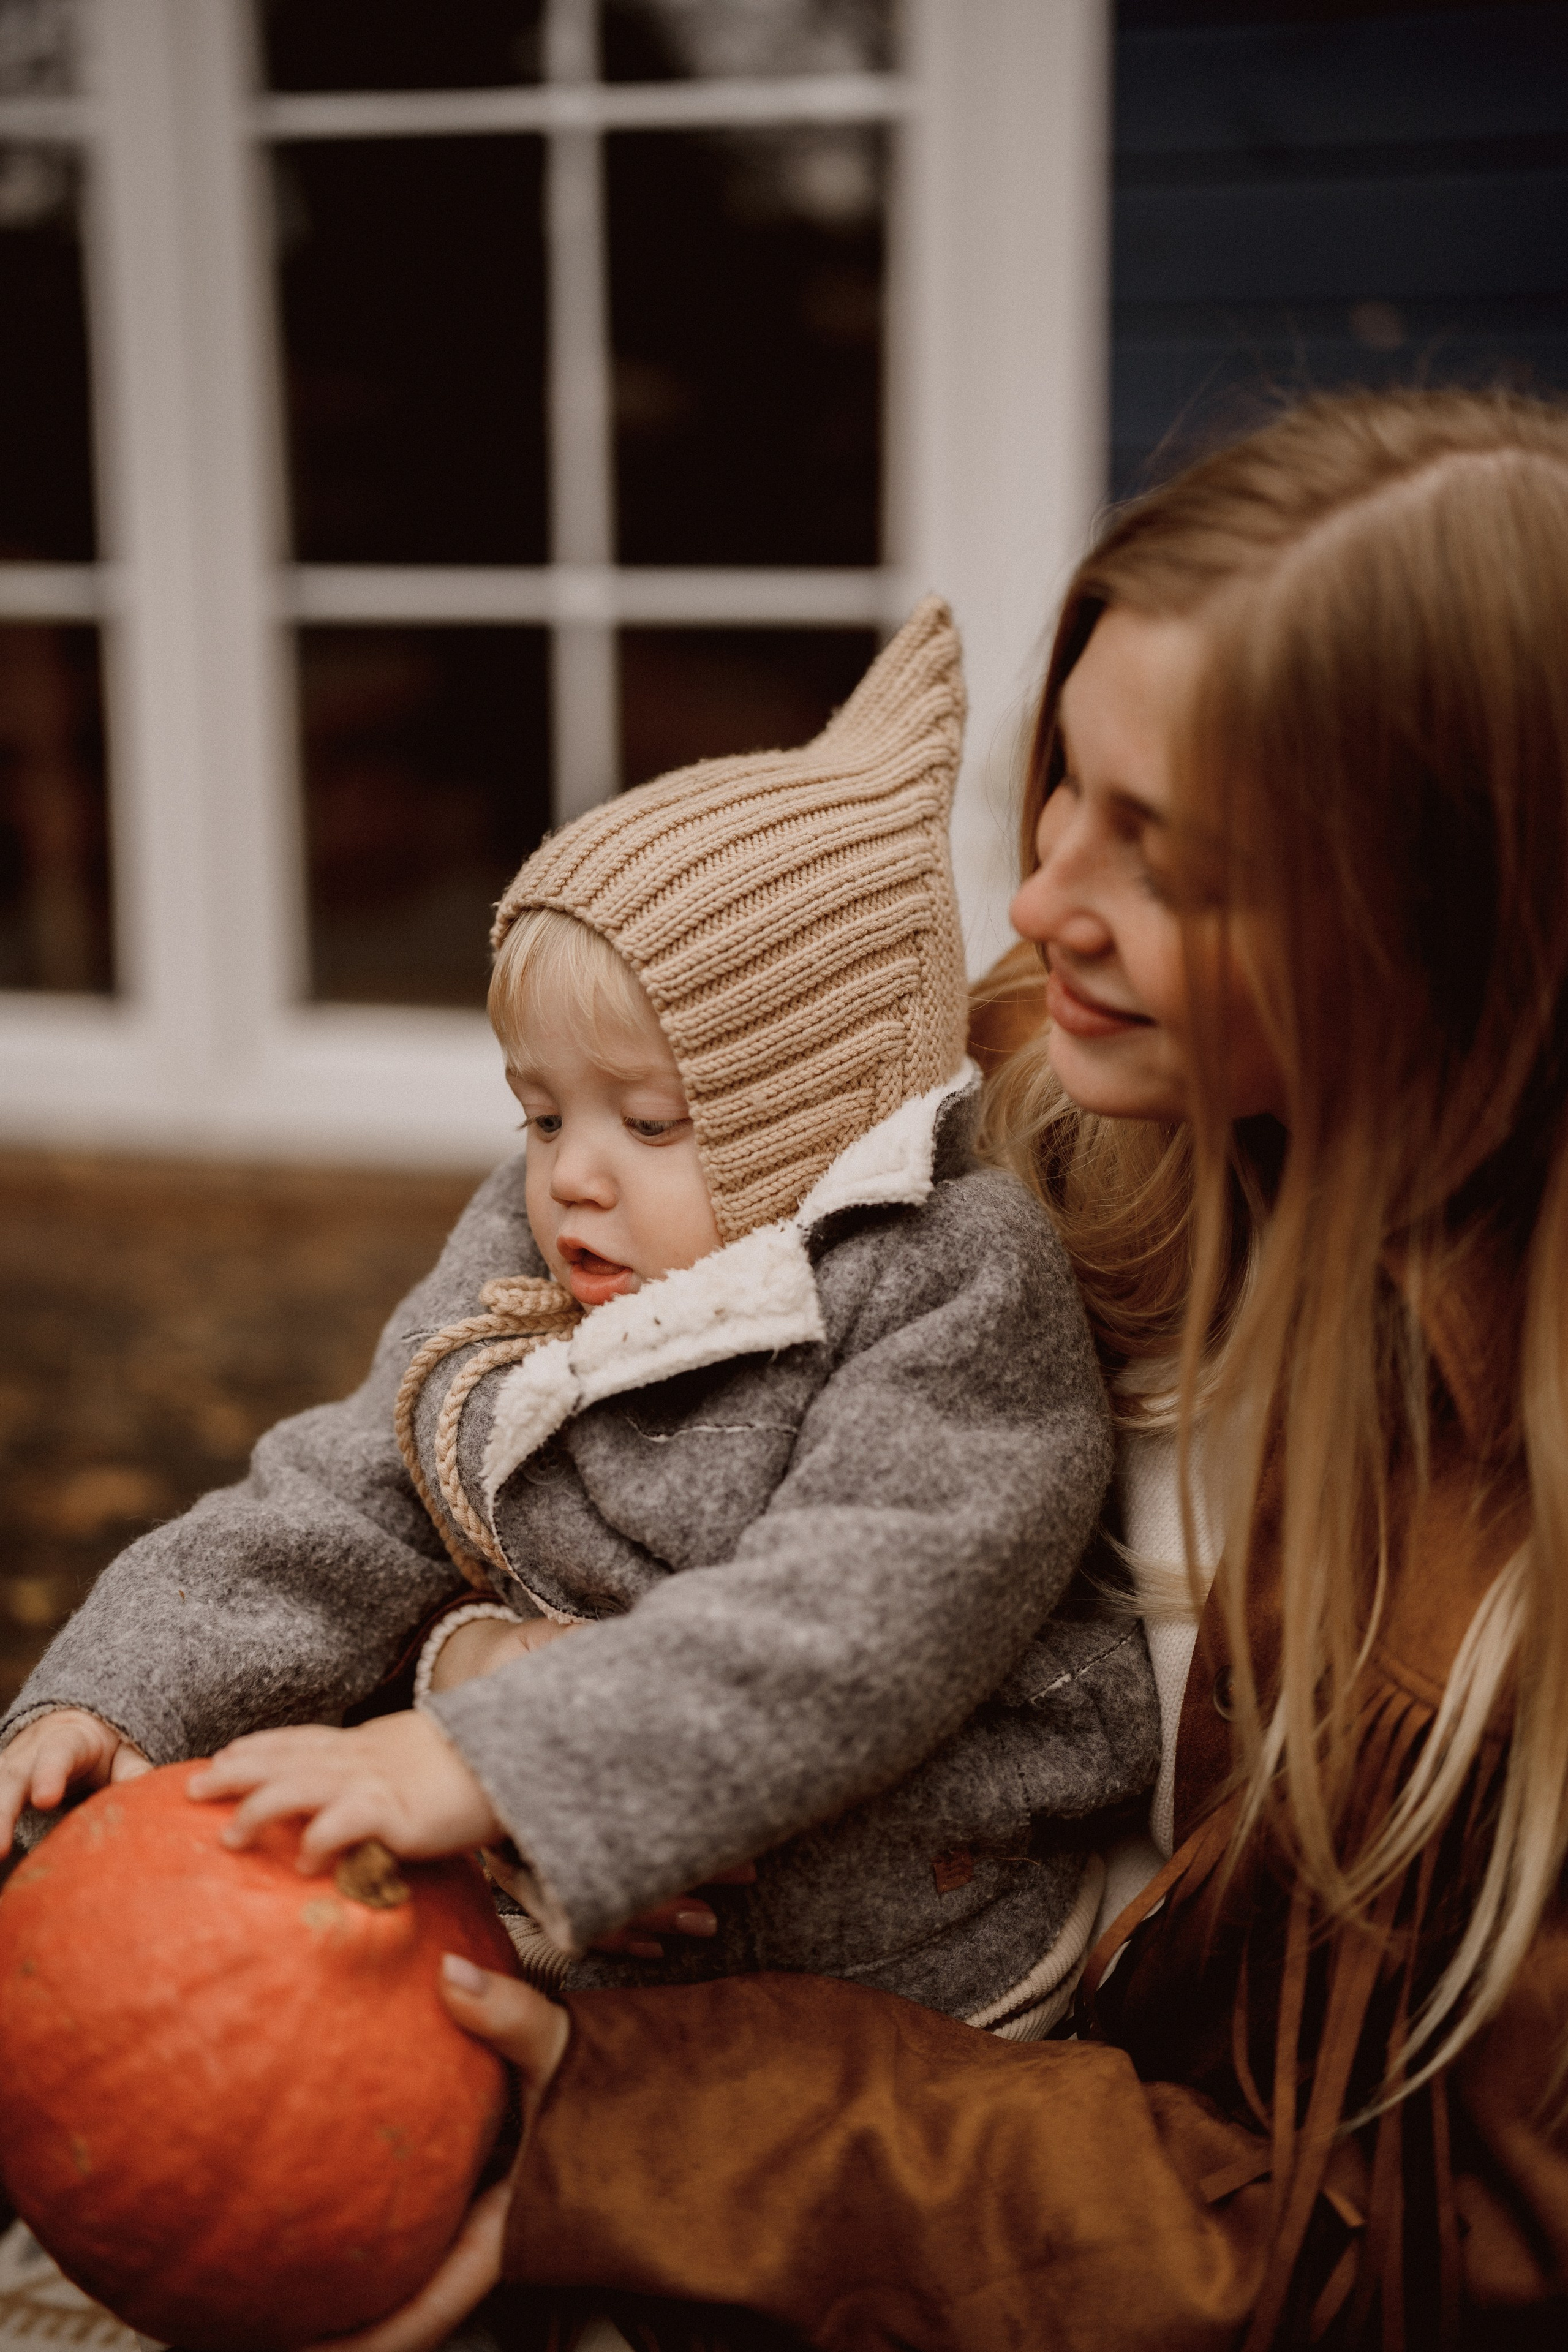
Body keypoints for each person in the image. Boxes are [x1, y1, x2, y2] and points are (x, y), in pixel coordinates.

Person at [322, 387, 1568, 2352]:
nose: (1047, 898)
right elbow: (506, 1413)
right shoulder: (996, 1080)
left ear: (1462, 928)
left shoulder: (1519, 1564)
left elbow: (1398, 2280)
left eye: (1171, 859)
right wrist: (484, 1672)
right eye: (1060, 788)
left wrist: (658, 2134)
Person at [0, 598, 1156, 2050]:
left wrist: (499, 1759)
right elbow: (353, 1484)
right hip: (587, 1908)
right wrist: (123, 1692)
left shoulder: (948, 1283)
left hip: (893, 1980)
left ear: (814, 1110)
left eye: (649, 1120)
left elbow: (860, 1616)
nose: (570, 1173)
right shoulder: (548, 1239)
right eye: (540, 1110)